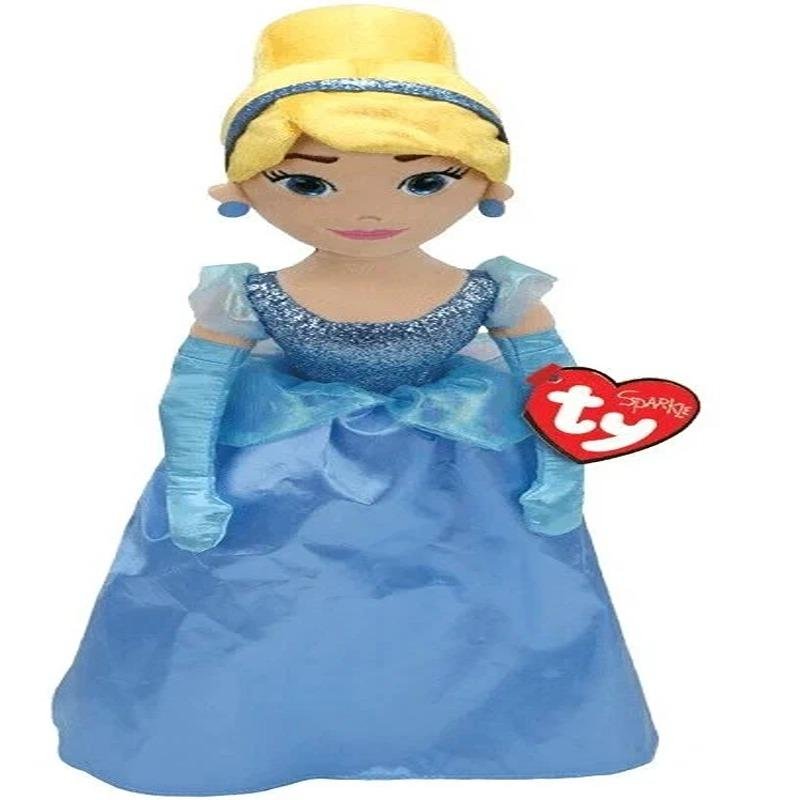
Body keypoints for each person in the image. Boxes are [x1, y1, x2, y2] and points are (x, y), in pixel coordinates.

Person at [52, 5, 657, 795]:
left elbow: (555, 383)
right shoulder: (247, 297)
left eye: (424, 180)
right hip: (285, 467)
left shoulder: (493, 291)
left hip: (459, 468)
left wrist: (559, 473)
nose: (368, 212)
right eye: (308, 181)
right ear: (239, 186)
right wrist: (193, 483)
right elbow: (195, 390)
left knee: (468, 603)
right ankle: (265, 727)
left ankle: (465, 726)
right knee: (268, 599)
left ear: (488, 183)